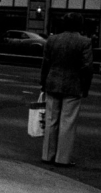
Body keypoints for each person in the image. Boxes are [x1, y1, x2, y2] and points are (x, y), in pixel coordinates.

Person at [40, 12, 94, 167]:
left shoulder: (52, 40)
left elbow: (46, 64)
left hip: (53, 82)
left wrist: (43, 82)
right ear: (79, 25)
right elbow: (87, 67)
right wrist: (85, 87)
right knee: (67, 122)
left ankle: (47, 155)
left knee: (51, 120)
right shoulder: (85, 42)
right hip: (73, 85)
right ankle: (62, 158)